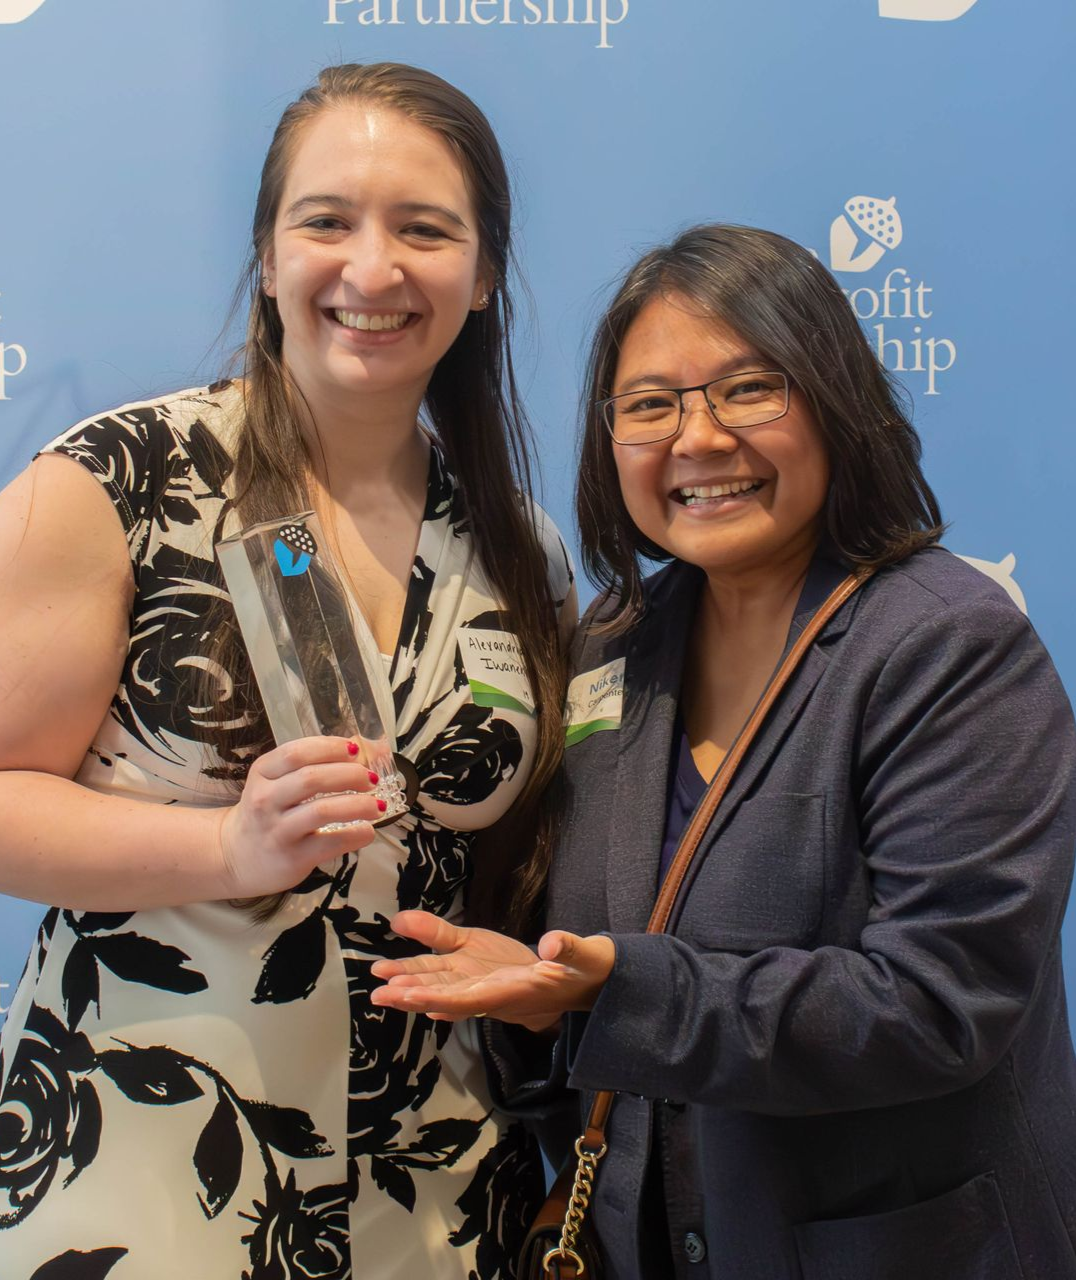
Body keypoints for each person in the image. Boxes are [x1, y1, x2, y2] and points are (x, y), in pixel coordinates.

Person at [370, 225, 1076, 1279]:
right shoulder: (612, 645)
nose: (694, 438)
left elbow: (938, 1000)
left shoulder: (945, 643)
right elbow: (561, 943)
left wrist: (614, 988)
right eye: (648, 405)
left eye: (749, 389)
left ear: (834, 399)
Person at [0, 62, 574, 1280]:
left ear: (480, 279)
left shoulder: (519, 548)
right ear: (266, 257)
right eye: (326, 221)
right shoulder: (115, 481)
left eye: (425, 229)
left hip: (433, 1178)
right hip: (150, 1150)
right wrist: (225, 850)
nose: (372, 270)